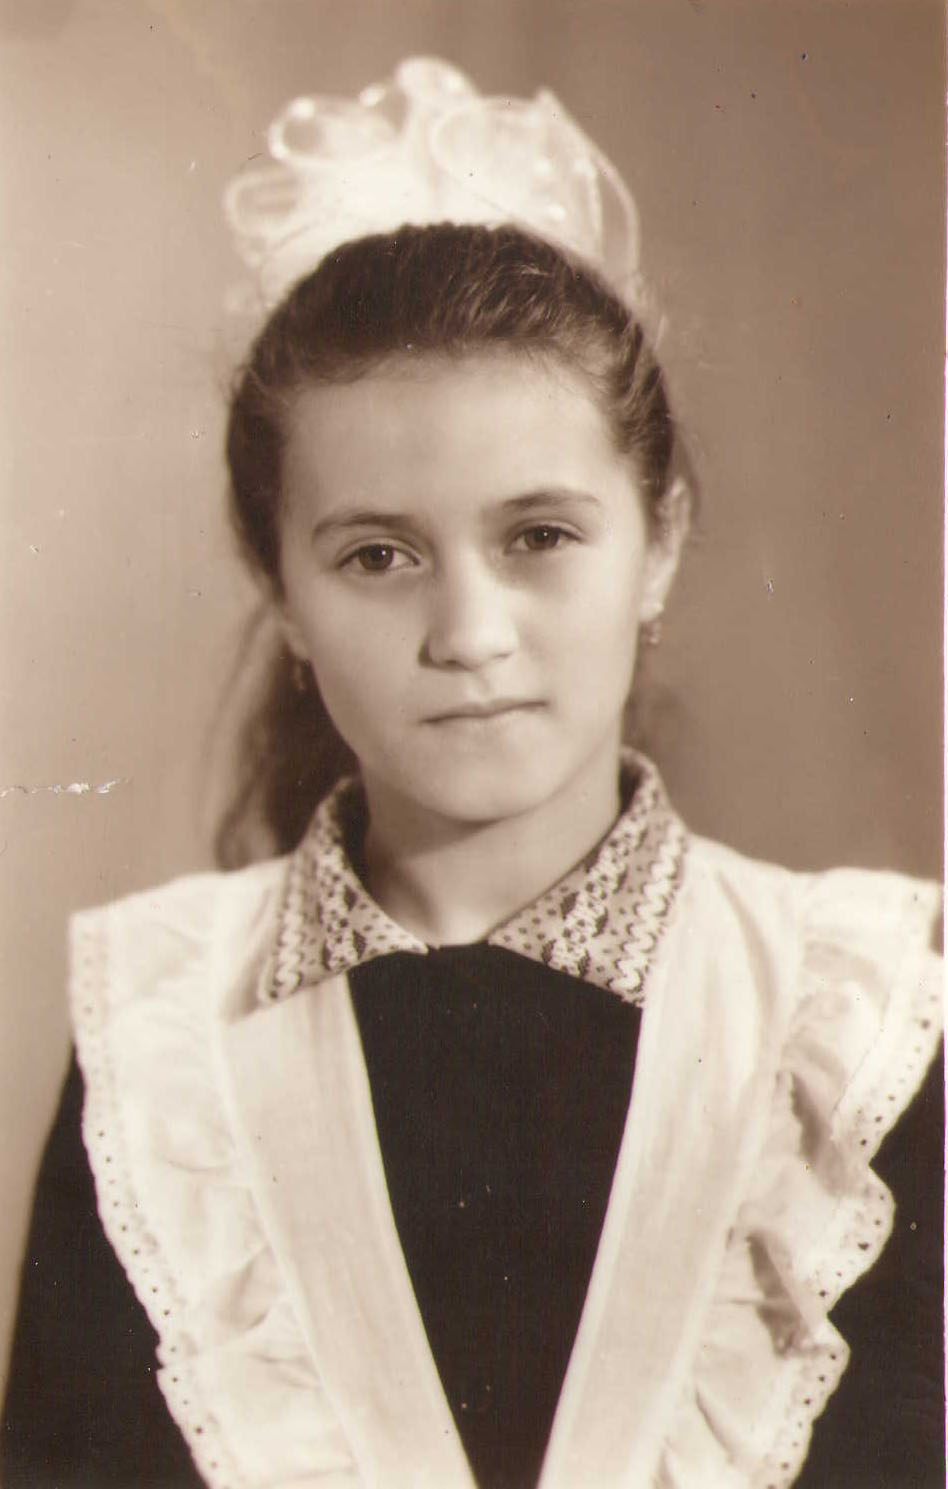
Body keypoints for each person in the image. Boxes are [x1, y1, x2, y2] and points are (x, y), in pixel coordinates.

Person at [2, 59, 942, 1489]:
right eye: (378, 555)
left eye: (539, 537)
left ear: (661, 540)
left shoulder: (862, 1025)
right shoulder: (156, 1036)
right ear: (281, 590)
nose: (468, 634)